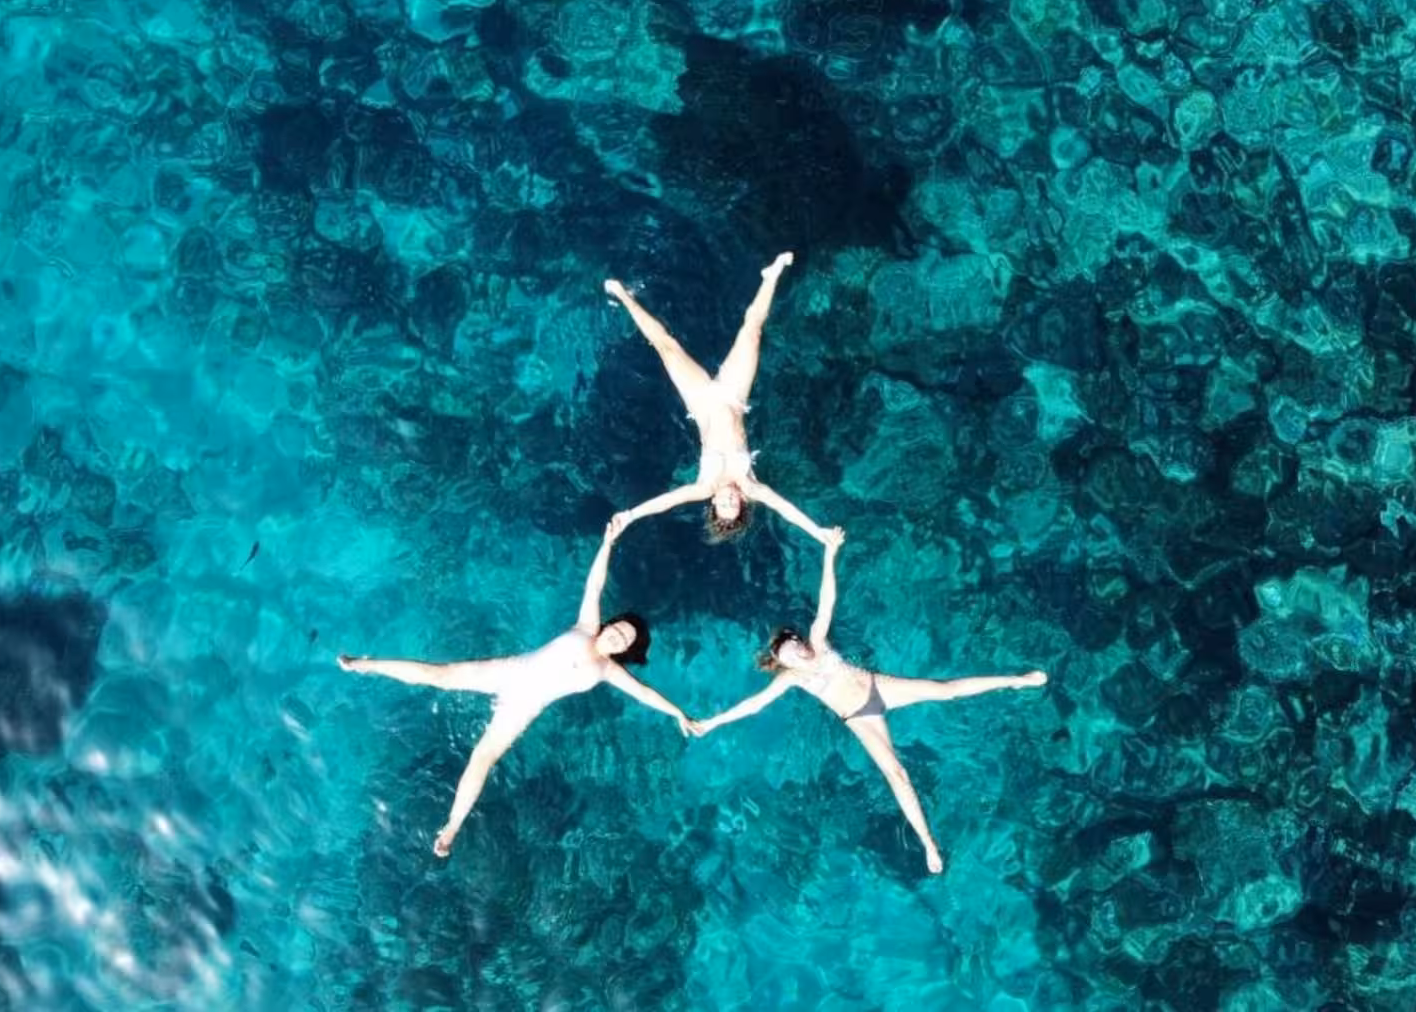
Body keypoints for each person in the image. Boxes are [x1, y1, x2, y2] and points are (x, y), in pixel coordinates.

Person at [691, 529, 1049, 874]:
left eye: (795, 646)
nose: (798, 654)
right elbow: (754, 705)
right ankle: (928, 843)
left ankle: (1017, 681)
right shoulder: (790, 679)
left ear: (800, 642)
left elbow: (826, 602)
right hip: (861, 716)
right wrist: (712, 722)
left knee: (946, 689)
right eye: (788, 655)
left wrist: (830, 553)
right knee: (897, 774)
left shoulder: (818, 642)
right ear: (782, 663)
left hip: (879, 686)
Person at [337, 521, 700, 857]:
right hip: (508, 673)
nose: (617, 635)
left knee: (483, 758)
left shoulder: (608, 671)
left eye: (623, 640)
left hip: (525, 706)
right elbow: (595, 584)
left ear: (624, 651)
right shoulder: (587, 626)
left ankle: (450, 830)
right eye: (619, 628)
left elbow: (645, 693)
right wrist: (607, 542)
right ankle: (364, 664)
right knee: (440, 675)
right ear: (610, 624)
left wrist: (678, 713)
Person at [603, 251, 833, 545]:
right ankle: (771, 276)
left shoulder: (704, 486)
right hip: (734, 397)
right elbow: (784, 509)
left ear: (713, 505)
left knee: (666, 346)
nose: (728, 501)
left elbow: (667, 501)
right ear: (742, 505)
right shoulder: (751, 487)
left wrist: (630, 515)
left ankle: (624, 296)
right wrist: (817, 532)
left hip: (700, 401)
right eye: (733, 507)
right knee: (752, 333)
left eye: (721, 506)